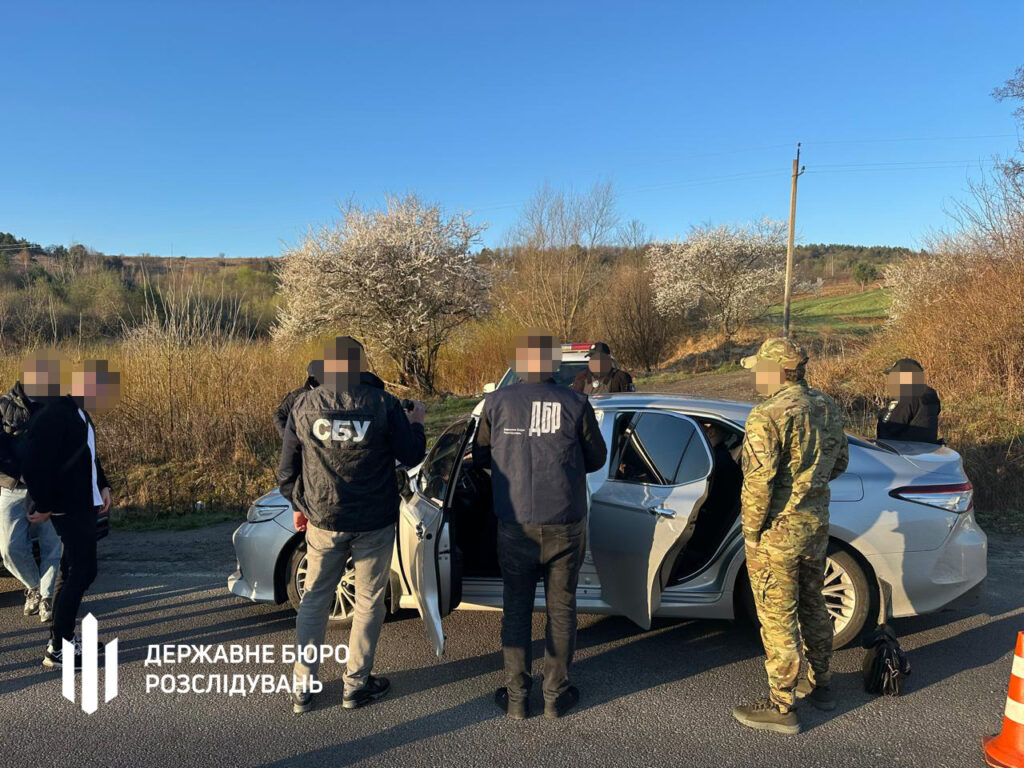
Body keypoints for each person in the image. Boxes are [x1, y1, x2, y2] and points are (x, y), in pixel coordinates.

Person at [278, 336, 426, 714]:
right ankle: (355, 685)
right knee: (368, 601)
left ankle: (302, 687)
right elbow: (412, 456)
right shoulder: (383, 403)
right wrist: (417, 423)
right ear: (360, 365)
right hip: (374, 521)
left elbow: (286, 473)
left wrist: (304, 505)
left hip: (324, 521)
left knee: (313, 600)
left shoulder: (304, 405)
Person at [472, 331, 607, 720]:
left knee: (515, 609)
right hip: (564, 522)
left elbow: (481, 455)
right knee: (561, 609)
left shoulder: (495, 403)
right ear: (553, 364)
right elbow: (596, 460)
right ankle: (554, 695)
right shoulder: (575, 403)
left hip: (515, 523)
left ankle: (516, 699)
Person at [732, 338, 848, 734]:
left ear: (778, 371)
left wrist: (750, 533)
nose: (755, 377)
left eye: (760, 369)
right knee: (814, 604)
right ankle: (823, 686)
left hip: (776, 535)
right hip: (815, 527)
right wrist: (807, 486)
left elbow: (758, 483)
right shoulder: (826, 407)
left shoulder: (766, 415)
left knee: (777, 615)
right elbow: (840, 461)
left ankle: (782, 706)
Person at [22, 358, 118, 669]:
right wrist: (45, 504)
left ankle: (63, 639)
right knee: (84, 571)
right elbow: (35, 463)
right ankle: (58, 648)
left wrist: (102, 486)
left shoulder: (79, 414)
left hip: (84, 503)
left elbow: (89, 456)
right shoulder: (55, 414)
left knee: (73, 570)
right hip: (68, 506)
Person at [0, 368, 62, 623]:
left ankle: (46, 598)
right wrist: (21, 472)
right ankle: (34, 586)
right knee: (9, 548)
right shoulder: (4, 405)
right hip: (12, 486)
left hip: (51, 486)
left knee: (52, 546)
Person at [876, 358, 941, 444]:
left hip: (904, 451)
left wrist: (882, 414)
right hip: (927, 450)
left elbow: (889, 427)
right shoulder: (930, 393)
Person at [274, 361, 321, 439]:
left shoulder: (331, 396)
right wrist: (288, 437)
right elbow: (279, 415)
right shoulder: (297, 395)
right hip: (302, 444)